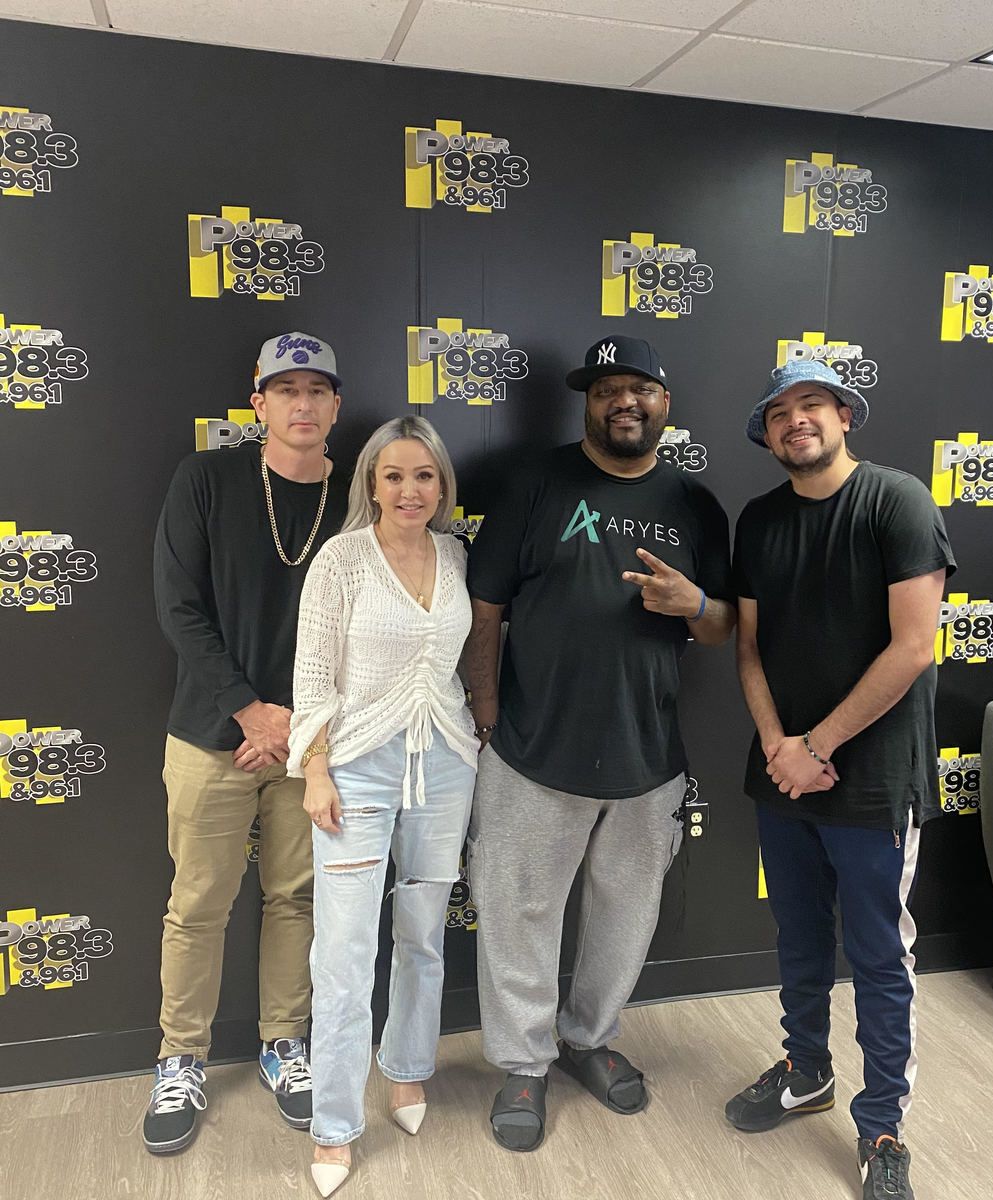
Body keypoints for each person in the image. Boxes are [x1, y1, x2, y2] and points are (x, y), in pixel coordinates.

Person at [465, 335, 735, 1152]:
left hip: (646, 755)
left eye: (639, 387)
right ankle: (523, 1062)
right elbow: (486, 607)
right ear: (587, 402)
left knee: (625, 913)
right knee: (518, 910)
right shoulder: (535, 484)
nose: (624, 401)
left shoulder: (696, 505)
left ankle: (589, 1038)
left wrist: (695, 604)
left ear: (665, 404)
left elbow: (723, 627)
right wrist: (485, 706)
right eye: (607, 388)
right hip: (532, 745)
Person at [723, 359, 955, 1200]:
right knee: (798, 936)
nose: (796, 420)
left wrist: (816, 745)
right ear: (767, 434)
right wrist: (779, 745)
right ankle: (807, 1069)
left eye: (812, 404)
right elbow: (749, 647)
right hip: (784, 774)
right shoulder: (758, 520)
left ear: (844, 414)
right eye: (779, 411)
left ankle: (882, 1124)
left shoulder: (898, 501)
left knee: (880, 955)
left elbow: (914, 645)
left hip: (872, 782)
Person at [144, 333, 348, 1155]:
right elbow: (178, 607)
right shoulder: (205, 479)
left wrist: (293, 725)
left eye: (317, 389)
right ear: (258, 402)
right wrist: (248, 711)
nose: (303, 403)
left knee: (296, 899)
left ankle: (283, 1044)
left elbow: (363, 628)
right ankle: (180, 1058)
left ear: (335, 404)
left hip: (313, 745)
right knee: (197, 906)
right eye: (286, 389)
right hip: (210, 738)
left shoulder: (358, 497)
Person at [289, 416, 479, 1198]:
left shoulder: (454, 554)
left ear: (442, 485)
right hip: (357, 770)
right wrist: (316, 770)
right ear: (371, 482)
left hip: (445, 764)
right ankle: (333, 1126)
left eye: (425, 476)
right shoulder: (341, 560)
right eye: (395, 475)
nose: (410, 490)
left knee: (423, 932)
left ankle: (405, 1070)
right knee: (342, 954)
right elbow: (312, 673)